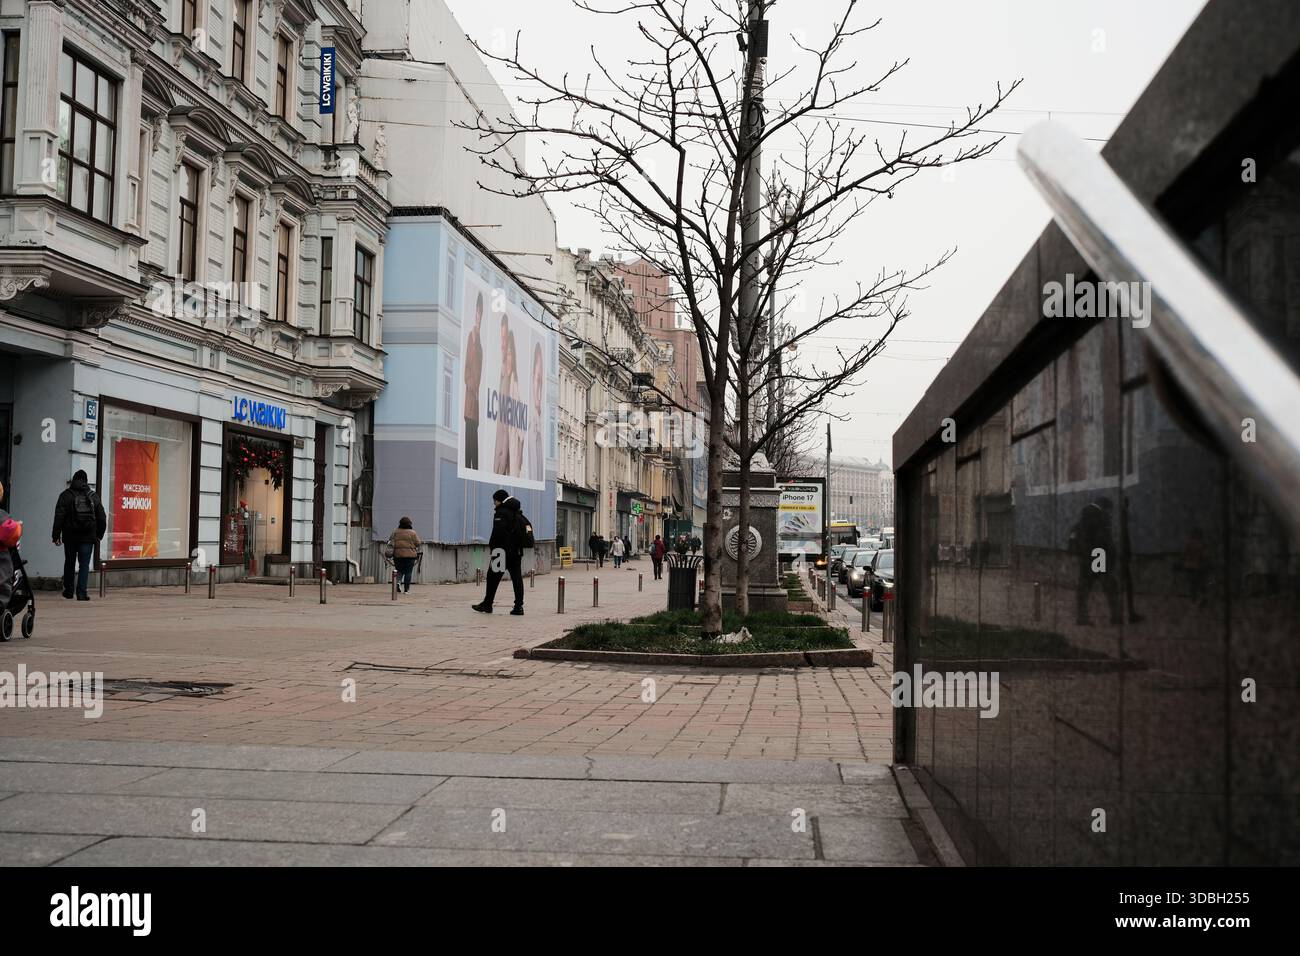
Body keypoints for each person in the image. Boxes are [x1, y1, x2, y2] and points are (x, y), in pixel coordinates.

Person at [52, 469, 106, 601]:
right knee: (84, 564)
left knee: (69, 562)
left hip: (70, 536)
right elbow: (102, 517)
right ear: (86, 481)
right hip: (88, 536)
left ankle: (69, 591)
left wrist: (56, 535)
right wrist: (99, 535)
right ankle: (81, 593)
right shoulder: (93, 496)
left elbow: (59, 517)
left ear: (73, 480)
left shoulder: (65, 495)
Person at [473, 489, 527, 615]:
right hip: (516, 552)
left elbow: (498, 533)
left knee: (492, 578)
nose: (494, 504)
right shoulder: (517, 512)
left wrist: (493, 548)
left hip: (501, 552)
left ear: (499, 500)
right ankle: (518, 607)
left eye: (495, 501)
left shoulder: (501, 512)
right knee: (517, 579)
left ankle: (487, 605)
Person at [463, 293, 484, 470]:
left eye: (481, 313)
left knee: (474, 436)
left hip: (475, 402)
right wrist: (473, 389)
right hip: (471, 399)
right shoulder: (472, 336)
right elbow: (467, 369)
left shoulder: (479, 339)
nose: (479, 316)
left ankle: (473, 469)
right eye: (477, 312)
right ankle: (470, 468)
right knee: (470, 437)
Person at [388, 516, 420, 594]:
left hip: (398, 555)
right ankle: (406, 590)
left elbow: (390, 542)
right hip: (410, 556)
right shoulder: (413, 533)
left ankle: (398, 583)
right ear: (409, 524)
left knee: (399, 571)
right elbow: (418, 543)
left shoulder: (395, 532)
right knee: (408, 572)